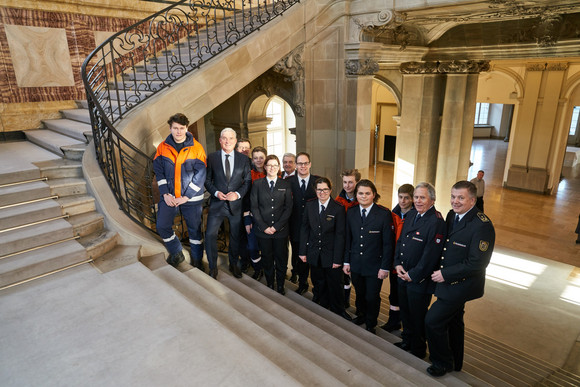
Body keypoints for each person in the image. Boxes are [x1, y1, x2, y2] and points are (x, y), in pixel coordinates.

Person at [425, 180, 495, 377]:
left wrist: (445, 274)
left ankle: (442, 362)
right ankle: (455, 361)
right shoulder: (452, 214)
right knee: (454, 321)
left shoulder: (482, 226)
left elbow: (478, 263)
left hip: (462, 284)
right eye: (453, 197)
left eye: (460, 198)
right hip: (449, 282)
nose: (455, 201)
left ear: (472, 200)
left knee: (433, 320)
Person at [393, 182, 446, 359]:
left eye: (422, 197)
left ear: (432, 199)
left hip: (419, 281)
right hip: (402, 275)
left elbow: (431, 256)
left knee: (417, 316)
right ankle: (406, 340)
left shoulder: (436, 222)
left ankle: (417, 349)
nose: (417, 201)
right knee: (405, 313)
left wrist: (412, 274)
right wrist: (397, 264)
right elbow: (401, 241)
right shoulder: (412, 214)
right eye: (416, 197)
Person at [153, 113, 207, 268]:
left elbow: (200, 175)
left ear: (186, 128)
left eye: (181, 128)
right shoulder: (162, 148)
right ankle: (177, 251)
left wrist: (186, 196)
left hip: (191, 199)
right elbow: (159, 172)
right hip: (169, 197)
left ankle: (197, 261)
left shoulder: (197, 148)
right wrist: (165, 194)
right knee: (162, 226)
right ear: (170, 128)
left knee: (195, 231)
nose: (178, 132)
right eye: (175, 128)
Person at [343, 179, 395, 334]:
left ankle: (371, 322)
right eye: (360, 193)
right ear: (356, 195)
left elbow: (388, 244)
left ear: (374, 195)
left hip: (375, 265)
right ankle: (361, 315)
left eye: (367, 193)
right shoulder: (351, 212)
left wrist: (385, 267)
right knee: (359, 293)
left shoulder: (384, 214)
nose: (363, 196)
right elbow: (348, 239)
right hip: (356, 263)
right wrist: (346, 261)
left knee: (372, 296)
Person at [299, 177, 351, 320]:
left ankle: (338, 309)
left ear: (330, 190)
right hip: (314, 252)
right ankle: (322, 305)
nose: (322, 192)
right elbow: (304, 229)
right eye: (319, 190)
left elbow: (341, 236)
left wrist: (338, 259)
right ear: (315, 191)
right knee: (318, 281)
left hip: (332, 254)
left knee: (335, 283)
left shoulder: (338, 208)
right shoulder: (310, 205)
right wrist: (303, 251)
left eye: (325, 189)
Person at [204, 128, 252, 279]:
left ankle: (233, 264)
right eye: (224, 138)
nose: (227, 141)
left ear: (235, 141)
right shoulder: (212, 158)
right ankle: (213, 267)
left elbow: (248, 181)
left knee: (235, 236)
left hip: (235, 205)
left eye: (231, 138)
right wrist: (216, 192)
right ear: (220, 140)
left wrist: (237, 195)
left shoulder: (243, 159)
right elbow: (207, 180)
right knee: (210, 235)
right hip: (217, 204)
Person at [251, 155, 293, 294]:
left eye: (275, 165)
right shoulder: (257, 184)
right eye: (269, 165)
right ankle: (270, 283)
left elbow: (288, 208)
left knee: (281, 259)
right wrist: (264, 227)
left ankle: (280, 285)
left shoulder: (285, 185)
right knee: (267, 259)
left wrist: (276, 227)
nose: (272, 168)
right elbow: (255, 207)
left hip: (280, 231)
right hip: (263, 231)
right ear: (265, 167)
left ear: (279, 167)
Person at [380, 183, 414, 332]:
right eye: (400, 197)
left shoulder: (415, 217)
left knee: (406, 298)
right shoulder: (391, 215)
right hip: (394, 263)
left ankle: (408, 328)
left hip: (408, 265)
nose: (403, 201)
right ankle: (393, 321)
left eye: (407, 198)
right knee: (394, 294)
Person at [289, 152, 320, 294]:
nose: (302, 166)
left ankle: (317, 287)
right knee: (298, 256)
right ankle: (302, 283)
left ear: (310, 164)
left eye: (305, 163)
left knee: (313, 258)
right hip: (295, 227)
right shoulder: (289, 182)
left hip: (314, 228)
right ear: (296, 165)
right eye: (300, 163)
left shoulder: (318, 182)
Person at [335, 169, 361, 309]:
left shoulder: (362, 200)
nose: (347, 185)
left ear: (356, 182)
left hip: (358, 245)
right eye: (345, 182)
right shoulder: (338, 201)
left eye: (351, 182)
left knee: (357, 278)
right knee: (344, 277)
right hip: (343, 244)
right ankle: (345, 301)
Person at [236, 139, 262, 279]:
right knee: (240, 238)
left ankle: (257, 264)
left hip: (250, 210)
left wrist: (247, 214)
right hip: (235, 208)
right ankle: (245, 261)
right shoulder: (232, 164)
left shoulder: (256, 167)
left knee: (253, 239)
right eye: (241, 148)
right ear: (236, 149)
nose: (245, 150)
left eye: (247, 148)